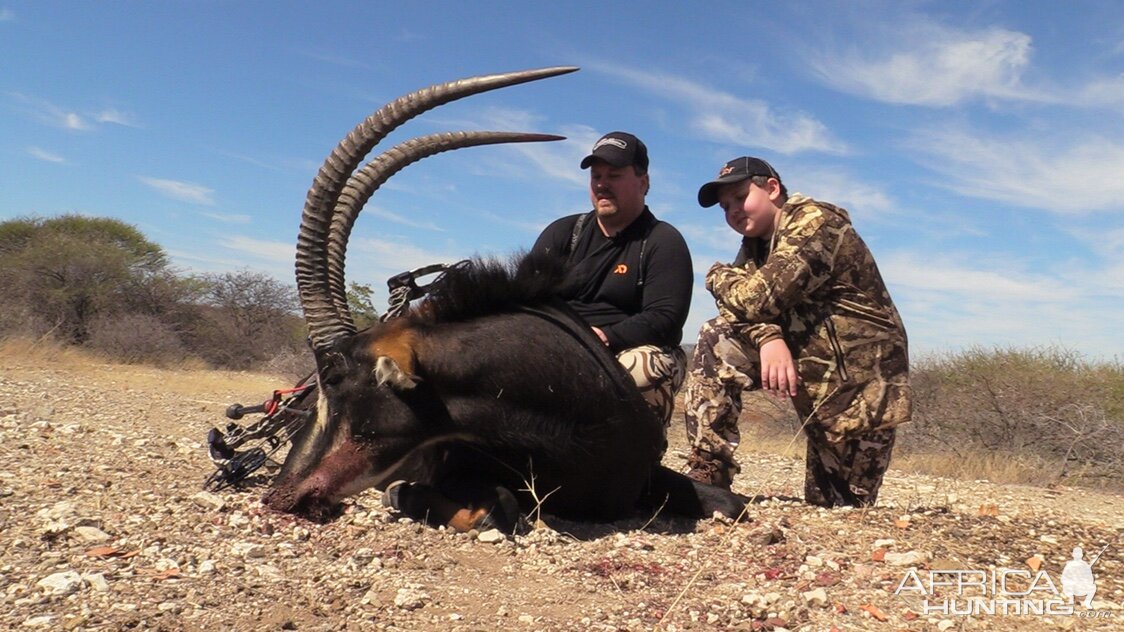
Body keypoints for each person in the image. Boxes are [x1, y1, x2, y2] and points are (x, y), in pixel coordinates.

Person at [682, 156, 911, 507]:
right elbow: (741, 309)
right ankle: (709, 471)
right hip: (813, 375)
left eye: (740, 197)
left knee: (841, 509)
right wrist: (769, 337)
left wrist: (716, 275)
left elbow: (755, 297)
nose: (732, 211)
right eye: (725, 206)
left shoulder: (815, 224)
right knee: (717, 336)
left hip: (860, 389)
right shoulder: (757, 245)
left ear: (772, 188)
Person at [531, 131, 693, 429]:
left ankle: (638, 464)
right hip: (559, 349)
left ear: (643, 183)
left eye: (614, 175)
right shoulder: (563, 232)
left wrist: (603, 337)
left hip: (628, 350)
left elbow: (666, 318)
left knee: (643, 369)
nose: (602, 184)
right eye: (596, 176)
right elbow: (524, 299)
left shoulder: (662, 240)